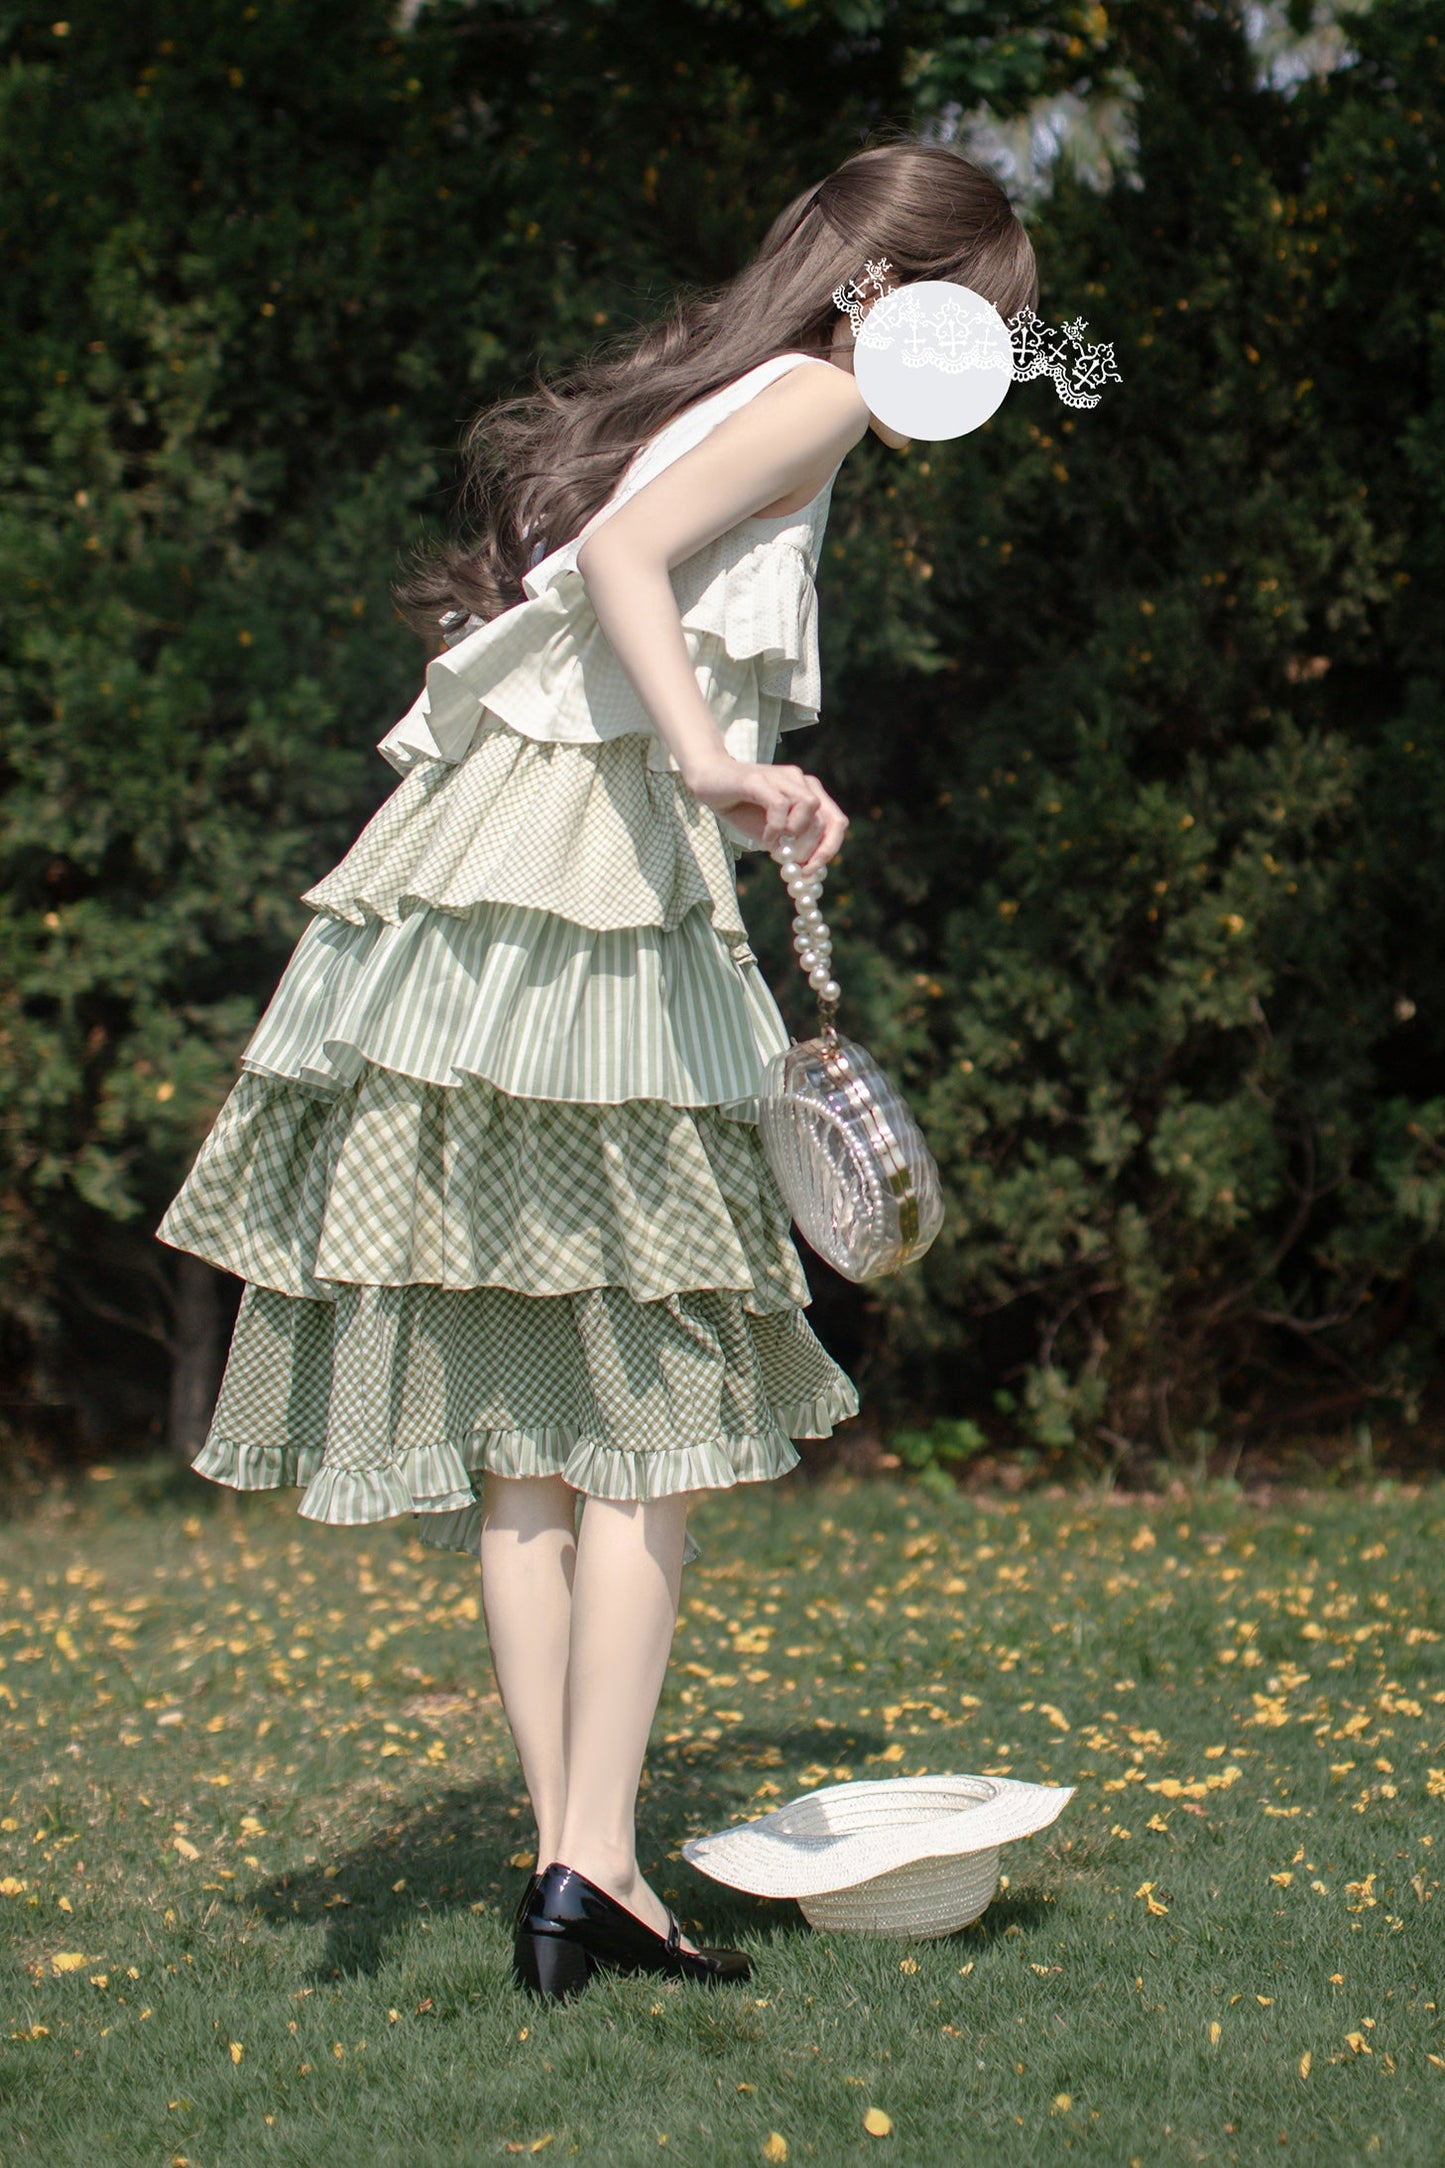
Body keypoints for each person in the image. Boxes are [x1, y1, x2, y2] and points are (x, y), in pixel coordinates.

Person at [154, 136, 1038, 2001]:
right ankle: (595, 1870)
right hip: (592, 885)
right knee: (651, 1408)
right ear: (901, 292)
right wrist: (720, 767)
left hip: (511, 879)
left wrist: (730, 782)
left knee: (534, 1442)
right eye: (993, 312)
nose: (997, 350)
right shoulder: (810, 393)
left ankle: (581, 1872)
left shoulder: (746, 387)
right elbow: (629, 559)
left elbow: (611, 578)